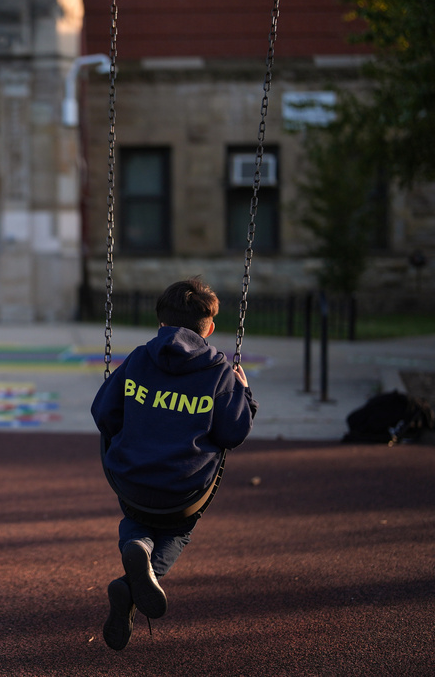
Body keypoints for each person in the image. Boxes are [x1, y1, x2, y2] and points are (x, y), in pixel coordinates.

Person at [90, 277, 258, 651]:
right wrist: (243, 394)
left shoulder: (137, 359)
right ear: (209, 328)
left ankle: (136, 544)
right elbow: (233, 433)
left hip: (131, 480)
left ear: (161, 325)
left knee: (138, 514)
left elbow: (104, 413)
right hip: (185, 490)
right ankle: (133, 582)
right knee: (178, 530)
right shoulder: (219, 373)